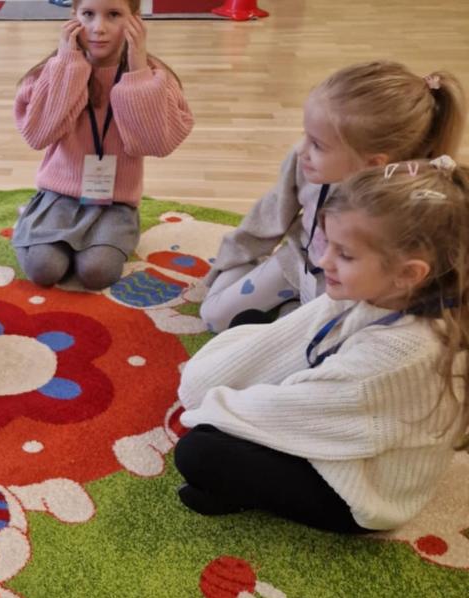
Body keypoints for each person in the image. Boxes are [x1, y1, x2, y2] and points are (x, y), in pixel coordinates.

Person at [174, 156, 469, 533]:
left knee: (200, 451)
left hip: (362, 490)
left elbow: (292, 410)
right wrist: (208, 386)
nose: (323, 260)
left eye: (344, 254)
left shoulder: (403, 353)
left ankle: (242, 489)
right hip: (340, 414)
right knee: (246, 342)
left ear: (407, 274)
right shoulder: (372, 290)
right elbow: (286, 343)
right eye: (328, 243)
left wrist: (211, 407)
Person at [200, 62, 466, 332]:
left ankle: (290, 311)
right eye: (305, 135)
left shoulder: (404, 204)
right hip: (295, 263)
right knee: (214, 317)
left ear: (373, 164)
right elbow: (268, 217)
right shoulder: (304, 162)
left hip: (347, 291)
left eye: (317, 144)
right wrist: (228, 261)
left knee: (304, 344)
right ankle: (286, 306)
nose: (302, 150)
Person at [12, 0, 193, 290]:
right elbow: (37, 135)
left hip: (115, 201)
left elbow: (155, 144)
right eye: (88, 14)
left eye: (114, 15)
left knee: (98, 272)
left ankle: (82, 237)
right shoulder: (54, 70)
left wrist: (137, 70)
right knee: (44, 269)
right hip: (59, 195)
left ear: (135, 19)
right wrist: (68, 66)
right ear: (73, 17)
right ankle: (32, 220)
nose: (99, 28)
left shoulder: (155, 77)